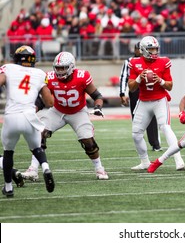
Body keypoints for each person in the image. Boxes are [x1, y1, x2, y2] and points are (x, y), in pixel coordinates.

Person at [22, 51, 109, 181]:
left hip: (78, 112)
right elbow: (41, 100)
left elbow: (97, 96)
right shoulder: (49, 77)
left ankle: (99, 168)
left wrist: (98, 108)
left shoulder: (82, 76)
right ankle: (33, 169)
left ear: (71, 67)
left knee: (88, 141)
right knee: (39, 132)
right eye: (57, 68)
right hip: (57, 111)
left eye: (63, 68)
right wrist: (33, 109)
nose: (60, 71)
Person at [0, 45, 55, 197]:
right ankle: (45, 168)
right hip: (30, 116)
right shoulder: (39, 73)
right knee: (36, 147)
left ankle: (9, 187)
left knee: (8, 152)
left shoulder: (8, 68)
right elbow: (50, 102)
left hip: (12, 116)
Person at [128, 35, 185, 170]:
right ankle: (145, 162)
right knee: (136, 134)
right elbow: (131, 88)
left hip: (159, 100)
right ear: (143, 50)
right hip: (143, 101)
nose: (154, 52)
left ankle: (178, 159)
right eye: (151, 49)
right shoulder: (135, 63)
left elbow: (170, 86)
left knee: (165, 127)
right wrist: (138, 79)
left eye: (155, 49)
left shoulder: (163, 62)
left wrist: (160, 80)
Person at [119, 42, 162, 152]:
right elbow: (124, 77)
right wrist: (122, 93)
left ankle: (155, 143)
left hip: (148, 89)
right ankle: (140, 144)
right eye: (137, 48)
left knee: (151, 116)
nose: (139, 51)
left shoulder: (152, 59)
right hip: (135, 89)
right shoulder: (129, 61)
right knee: (136, 116)